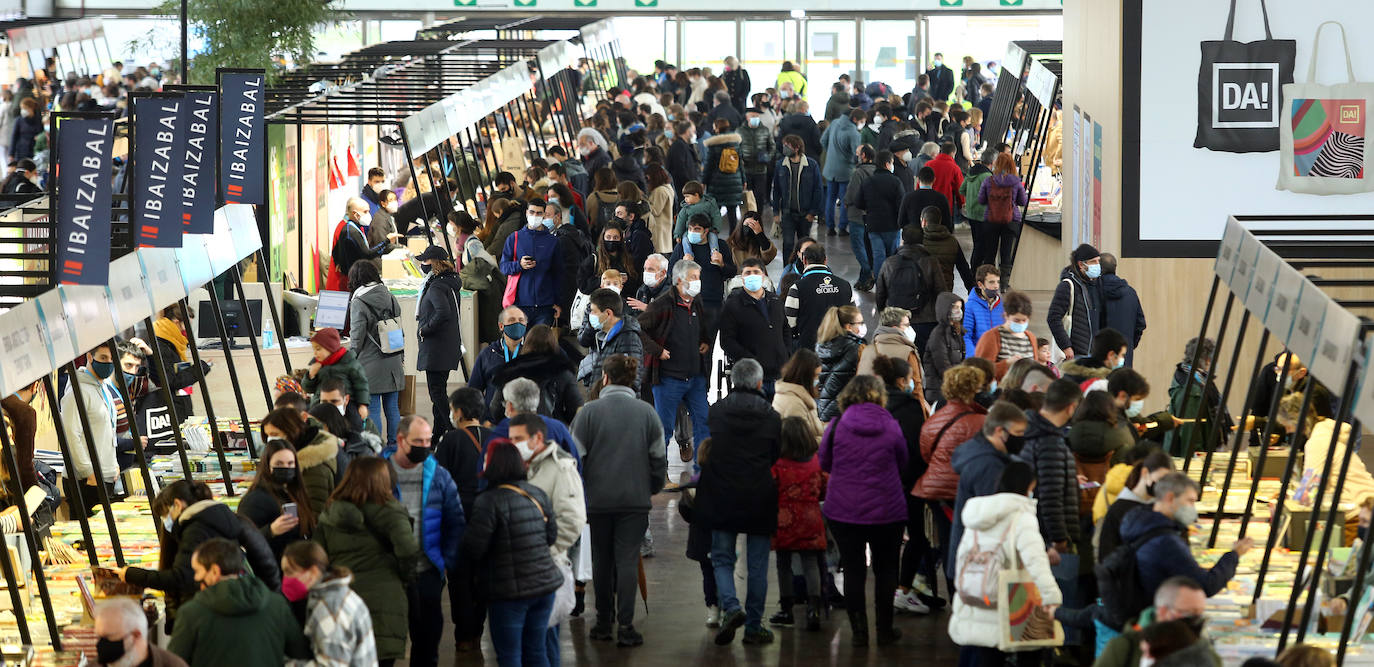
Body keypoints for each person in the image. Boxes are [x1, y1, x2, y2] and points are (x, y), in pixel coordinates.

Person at [573, 354, 666, 643]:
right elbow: (658, 459)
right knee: (627, 560)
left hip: (597, 502)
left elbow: (577, 460)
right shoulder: (647, 413)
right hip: (634, 501)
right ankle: (626, 626)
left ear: (605, 378)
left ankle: (603, 623)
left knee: (601, 561)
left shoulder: (587, 413)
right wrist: (650, 488)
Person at [695, 359, 782, 646]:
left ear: (733, 381)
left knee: (722, 558)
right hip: (759, 494)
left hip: (722, 493)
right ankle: (755, 626)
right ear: (759, 383)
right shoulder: (771, 415)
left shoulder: (717, 411)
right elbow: (775, 457)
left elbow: (708, 449)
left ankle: (731, 608)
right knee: (757, 565)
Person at [820, 374, 908, 646]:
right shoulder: (892, 426)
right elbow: (903, 462)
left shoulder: (835, 426)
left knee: (854, 570)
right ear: (879, 396)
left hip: (844, 510)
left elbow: (824, 462)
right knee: (886, 570)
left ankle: (859, 633)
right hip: (887, 510)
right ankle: (884, 630)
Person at [949, 461, 1063, 667]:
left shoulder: (977, 515)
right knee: (1030, 655)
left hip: (979, 594)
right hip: (1015, 598)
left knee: (986, 656)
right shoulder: (1022, 517)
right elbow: (1036, 562)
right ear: (1026, 487)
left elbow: (962, 555)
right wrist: (1051, 597)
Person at [461, 442, 563, 666]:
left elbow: (474, 548)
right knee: (536, 650)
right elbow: (551, 536)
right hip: (544, 587)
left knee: (510, 656)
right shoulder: (537, 494)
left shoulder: (488, 501)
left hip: (507, 593)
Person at [314, 456, 419, 666]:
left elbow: (318, 557)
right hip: (385, 598)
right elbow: (408, 551)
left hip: (342, 600)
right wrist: (404, 577)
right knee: (381, 657)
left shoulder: (331, 513)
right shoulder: (391, 511)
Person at [382, 416, 466, 667]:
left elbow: (456, 522)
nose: (425, 446)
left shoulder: (439, 475)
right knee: (383, 646)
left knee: (427, 643)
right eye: (418, 441)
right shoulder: (378, 472)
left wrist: (444, 562)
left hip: (427, 572)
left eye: (428, 441)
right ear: (400, 440)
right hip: (388, 574)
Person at [509, 413, 586, 660]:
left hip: (547, 569)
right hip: (517, 571)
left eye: (518, 438)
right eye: (511, 439)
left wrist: (545, 552)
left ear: (537, 438)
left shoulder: (561, 469)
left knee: (545, 640)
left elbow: (572, 521)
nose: (513, 444)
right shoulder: (516, 467)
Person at [167, 538, 308, 666]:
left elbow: (173, 663)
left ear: (215, 572)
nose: (195, 578)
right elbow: (300, 653)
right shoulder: (277, 605)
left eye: (197, 571)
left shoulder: (191, 613)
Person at [1119, 472, 1251, 601]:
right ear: (1170, 498)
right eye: (1190, 501)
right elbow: (1205, 585)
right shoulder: (1166, 542)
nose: (1193, 508)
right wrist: (1235, 555)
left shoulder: (1139, 521)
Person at [912, 366, 988, 579]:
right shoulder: (983, 422)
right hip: (971, 491)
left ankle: (954, 589)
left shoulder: (933, 420)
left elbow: (926, 454)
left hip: (938, 492)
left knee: (948, 543)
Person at [639, 259, 713, 464]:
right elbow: (639, 329)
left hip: (695, 377)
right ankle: (658, 476)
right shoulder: (661, 305)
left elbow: (702, 328)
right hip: (668, 379)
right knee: (663, 430)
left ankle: (701, 472)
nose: (698, 282)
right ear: (679, 280)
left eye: (698, 278)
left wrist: (705, 342)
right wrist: (657, 350)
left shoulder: (696, 301)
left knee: (704, 423)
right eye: (694, 278)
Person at [947, 402, 1029, 582]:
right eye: (1018, 433)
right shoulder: (989, 466)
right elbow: (992, 520)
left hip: (970, 558)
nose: (1022, 439)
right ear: (1000, 431)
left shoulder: (976, 450)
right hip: (981, 565)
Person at [1278, 393, 1374, 532]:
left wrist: (1287, 499)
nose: (1287, 431)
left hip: (1355, 513)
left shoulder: (1318, 441)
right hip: (1362, 506)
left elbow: (1311, 489)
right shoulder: (1326, 433)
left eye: (1287, 425)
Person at [769, 415, 829, 631]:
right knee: (810, 563)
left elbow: (769, 489)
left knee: (783, 565)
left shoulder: (777, 465)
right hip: (811, 519)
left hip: (784, 521)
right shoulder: (815, 463)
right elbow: (824, 488)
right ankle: (814, 609)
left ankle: (787, 609)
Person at [280, 541, 377, 667]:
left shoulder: (329, 609)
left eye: (290, 572)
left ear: (313, 571)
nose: (285, 579)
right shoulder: (342, 593)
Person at [1020, 380, 1085, 562]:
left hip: (1034, 527)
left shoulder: (1031, 429)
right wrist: (1059, 539)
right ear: (1071, 407)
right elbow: (1050, 494)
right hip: (1047, 538)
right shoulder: (1050, 442)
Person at [346, 262, 404, 448]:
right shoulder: (389, 295)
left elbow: (357, 337)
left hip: (370, 364)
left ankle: (376, 447)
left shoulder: (359, 301)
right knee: (393, 408)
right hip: (393, 360)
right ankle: (394, 446)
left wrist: (349, 358)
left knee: (373, 410)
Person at [1096, 577, 1214, 667]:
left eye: (1199, 614)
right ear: (1163, 612)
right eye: (1188, 613)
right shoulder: (1124, 648)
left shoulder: (1203, 648)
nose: (1196, 620)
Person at [61, 343, 122, 517]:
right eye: (103, 358)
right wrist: (89, 472)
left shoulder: (104, 388)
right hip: (86, 480)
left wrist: (114, 465)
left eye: (111, 359)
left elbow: (108, 431)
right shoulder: (77, 392)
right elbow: (71, 436)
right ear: (89, 357)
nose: (108, 363)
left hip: (105, 475)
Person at [486, 325, 582, 425]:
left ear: (527, 344)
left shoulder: (511, 370)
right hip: (552, 429)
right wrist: (561, 420)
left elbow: (495, 407)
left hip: (517, 428)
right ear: (554, 345)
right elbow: (576, 407)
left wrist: (508, 423)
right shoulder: (562, 371)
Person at [236, 439, 314, 562]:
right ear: (267, 466)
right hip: (271, 569)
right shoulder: (254, 500)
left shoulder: (295, 493)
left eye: (290, 463)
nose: (286, 468)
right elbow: (243, 540)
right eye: (279, 464)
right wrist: (271, 531)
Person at [719, 259, 788, 394]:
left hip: (778, 373)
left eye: (756, 272)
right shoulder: (733, 305)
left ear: (763, 276)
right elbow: (727, 341)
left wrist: (786, 352)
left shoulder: (775, 301)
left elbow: (785, 329)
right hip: (751, 375)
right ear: (742, 278)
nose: (752, 275)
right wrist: (749, 359)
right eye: (748, 273)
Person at [1098, 449, 1175, 563]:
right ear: (1145, 473)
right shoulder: (1120, 509)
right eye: (1161, 479)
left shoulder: (1160, 505)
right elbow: (1106, 555)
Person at [875, 224, 941, 356]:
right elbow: (941, 291)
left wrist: (884, 313)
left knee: (899, 359)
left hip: (897, 321)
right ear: (923, 240)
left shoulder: (890, 262)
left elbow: (880, 293)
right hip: (926, 320)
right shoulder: (931, 262)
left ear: (903, 240)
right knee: (922, 358)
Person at [500, 198, 564, 328]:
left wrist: (558, 302)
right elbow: (503, 266)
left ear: (544, 215)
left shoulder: (553, 241)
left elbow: (559, 273)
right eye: (532, 212)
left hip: (545, 305)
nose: (535, 216)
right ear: (526, 213)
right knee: (523, 344)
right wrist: (519, 265)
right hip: (520, 304)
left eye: (539, 213)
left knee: (540, 345)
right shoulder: (514, 238)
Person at [852, 149, 906, 291]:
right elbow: (901, 204)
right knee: (892, 256)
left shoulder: (868, 181)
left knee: (878, 257)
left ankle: (880, 286)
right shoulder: (895, 182)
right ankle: (892, 285)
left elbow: (858, 203)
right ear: (888, 164)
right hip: (892, 226)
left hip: (873, 225)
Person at [1164, 337, 1227, 458]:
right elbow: (1190, 431)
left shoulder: (1196, 379)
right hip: (1193, 457)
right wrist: (1196, 460)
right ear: (1207, 360)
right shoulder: (1192, 389)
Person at [977, 152, 1030, 286]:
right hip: (1010, 221)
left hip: (991, 220)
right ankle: (1004, 283)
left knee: (990, 252)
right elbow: (1023, 201)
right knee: (1006, 253)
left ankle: (989, 281)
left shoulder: (988, 181)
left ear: (996, 164)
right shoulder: (1016, 182)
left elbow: (981, 200)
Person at [771, 134, 825, 263]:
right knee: (788, 244)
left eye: (787, 146)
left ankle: (803, 270)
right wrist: (775, 212)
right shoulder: (780, 165)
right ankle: (788, 271)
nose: (784, 148)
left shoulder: (811, 165)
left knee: (805, 246)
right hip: (787, 213)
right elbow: (776, 190)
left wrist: (812, 212)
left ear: (797, 148)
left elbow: (818, 190)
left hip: (805, 214)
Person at [668, 214, 737, 315]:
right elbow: (670, 275)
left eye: (697, 229)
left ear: (706, 231)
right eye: (690, 229)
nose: (692, 232)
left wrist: (722, 264)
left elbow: (732, 273)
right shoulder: (681, 248)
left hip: (713, 302)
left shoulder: (720, 246)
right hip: (688, 302)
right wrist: (683, 265)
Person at [580, 288, 646, 390]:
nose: (590, 315)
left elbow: (632, 381)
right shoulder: (604, 335)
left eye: (593, 311)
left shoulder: (628, 339)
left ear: (608, 313)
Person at [94, 597, 188, 667]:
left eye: (108, 637)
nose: (100, 644)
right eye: (99, 637)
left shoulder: (173, 665)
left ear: (136, 635)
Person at [1048, 243, 1104, 360]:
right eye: (1093, 262)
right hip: (1076, 352)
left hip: (1095, 351)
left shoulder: (1096, 284)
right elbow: (1053, 318)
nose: (1097, 265)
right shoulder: (1067, 286)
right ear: (1081, 264)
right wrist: (1066, 346)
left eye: (1098, 261)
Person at [301, 328, 370, 420]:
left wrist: (362, 405)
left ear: (330, 347)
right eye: (314, 349)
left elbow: (361, 385)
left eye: (318, 349)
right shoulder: (317, 365)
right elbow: (308, 389)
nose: (315, 353)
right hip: (320, 402)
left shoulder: (349, 363)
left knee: (355, 423)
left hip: (345, 403)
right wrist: (310, 376)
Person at [815, 305, 866, 423]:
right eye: (860, 323)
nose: (863, 326)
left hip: (823, 409)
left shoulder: (821, 345)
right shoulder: (857, 347)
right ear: (848, 326)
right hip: (848, 411)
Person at [974, 290, 1039, 381]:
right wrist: (1006, 364)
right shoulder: (991, 337)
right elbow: (980, 371)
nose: (1021, 323)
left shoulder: (1030, 337)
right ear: (1006, 316)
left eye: (1024, 320)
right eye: (1016, 320)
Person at [1098, 253, 1146, 368]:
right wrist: (1129, 344)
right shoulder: (1131, 293)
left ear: (1099, 269)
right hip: (1124, 355)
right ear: (1115, 267)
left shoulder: (1094, 292)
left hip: (1099, 355)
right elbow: (1140, 324)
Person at [820, 108, 863, 237]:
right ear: (855, 119)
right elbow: (857, 154)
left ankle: (830, 227)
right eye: (862, 121)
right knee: (845, 200)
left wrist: (832, 154)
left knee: (830, 199)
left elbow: (823, 140)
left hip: (830, 168)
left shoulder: (834, 123)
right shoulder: (854, 133)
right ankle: (842, 227)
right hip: (846, 171)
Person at [326, 197, 382, 292]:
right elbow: (365, 253)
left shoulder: (356, 226)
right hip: (345, 279)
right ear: (355, 214)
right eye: (365, 212)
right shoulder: (346, 229)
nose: (368, 215)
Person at [772, 349, 825, 443]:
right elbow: (803, 442)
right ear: (805, 376)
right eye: (816, 376)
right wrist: (829, 439)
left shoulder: (796, 396)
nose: (817, 380)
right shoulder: (794, 404)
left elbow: (811, 427)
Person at [923, 293, 967, 405]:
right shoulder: (938, 335)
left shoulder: (957, 331)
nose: (959, 311)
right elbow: (943, 366)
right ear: (946, 309)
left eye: (960, 308)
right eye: (955, 307)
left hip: (951, 390)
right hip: (939, 393)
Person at [703, 118, 746, 231]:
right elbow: (740, 163)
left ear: (717, 128)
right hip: (734, 182)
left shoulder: (713, 145)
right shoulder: (735, 143)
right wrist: (743, 180)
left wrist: (703, 182)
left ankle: (714, 241)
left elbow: (708, 166)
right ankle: (733, 242)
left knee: (714, 215)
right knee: (732, 214)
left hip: (717, 184)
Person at [738, 108, 774, 226]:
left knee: (759, 196)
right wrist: (740, 159)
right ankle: (746, 219)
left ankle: (758, 219)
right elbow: (735, 148)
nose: (755, 118)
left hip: (761, 170)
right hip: (746, 170)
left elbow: (772, 147)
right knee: (746, 196)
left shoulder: (765, 130)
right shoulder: (740, 131)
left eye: (757, 116)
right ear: (747, 117)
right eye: (753, 116)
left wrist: (767, 157)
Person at [1060, 327, 1129, 387]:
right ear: (1111, 355)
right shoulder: (1103, 384)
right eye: (1122, 355)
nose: (1123, 359)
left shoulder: (1071, 371)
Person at [961, 149, 996, 267]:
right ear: (993, 161)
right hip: (983, 214)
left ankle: (974, 268)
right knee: (983, 245)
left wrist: (971, 198)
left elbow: (962, 189)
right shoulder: (988, 176)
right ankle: (976, 270)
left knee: (977, 242)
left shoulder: (971, 172)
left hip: (971, 213)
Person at [963, 265, 1005, 357]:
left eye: (998, 282)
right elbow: (966, 337)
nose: (996, 286)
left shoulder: (1003, 306)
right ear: (980, 285)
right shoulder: (970, 307)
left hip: (1000, 356)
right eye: (991, 282)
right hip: (979, 357)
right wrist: (974, 358)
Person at [898, 166, 952, 231]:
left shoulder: (908, 197)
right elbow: (948, 224)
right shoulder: (941, 198)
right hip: (934, 236)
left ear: (918, 180)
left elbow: (901, 222)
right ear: (934, 180)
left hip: (914, 237)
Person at [928, 142, 964, 226]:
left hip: (928, 204)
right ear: (952, 153)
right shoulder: (955, 168)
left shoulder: (928, 164)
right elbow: (960, 189)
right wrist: (961, 204)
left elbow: (920, 183)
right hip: (946, 205)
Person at [667, 120, 702, 199]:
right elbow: (680, 169)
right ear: (687, 131)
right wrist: (690, 185)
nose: (695, 133)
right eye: (693, 131)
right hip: (682, 189)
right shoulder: (679, 146)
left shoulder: (684, 145)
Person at [645, 164, 676, 252]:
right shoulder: (668, 188)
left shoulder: (660, 191)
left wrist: (644, 200)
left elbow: (655, 211)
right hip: (665, 227)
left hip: (658, 229)